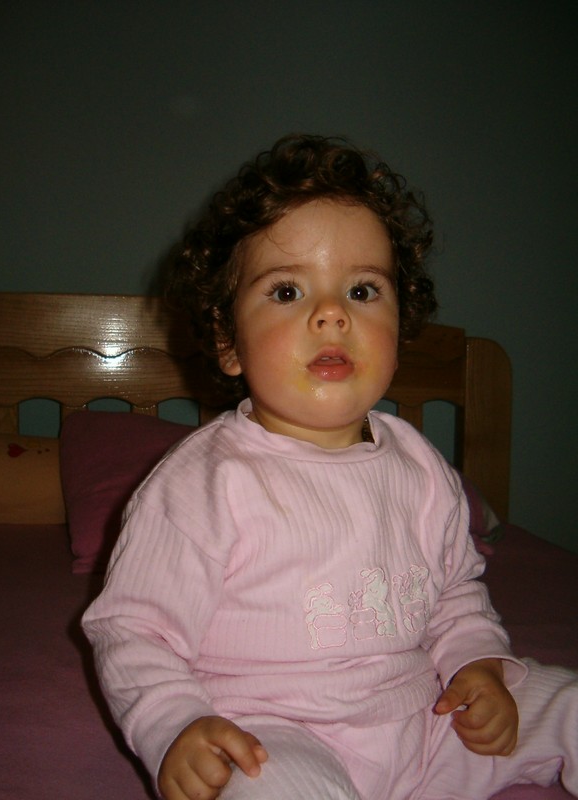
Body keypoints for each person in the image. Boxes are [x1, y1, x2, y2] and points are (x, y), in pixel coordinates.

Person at [82, 134, 577, 800]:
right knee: (265, 785)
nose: (332, 314)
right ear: (229, 343)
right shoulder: (203, 482)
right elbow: (134, 629)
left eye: (363, 289)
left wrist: (478, 664)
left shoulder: (418, 464)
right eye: (287, 290)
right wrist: (174, 723)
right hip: (276, 735)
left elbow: (455, 590)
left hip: (428, 721)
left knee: (565, 703)